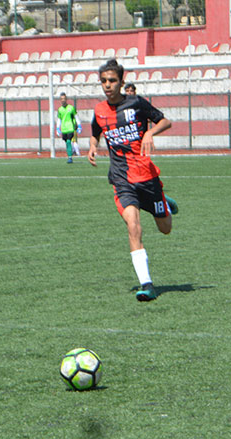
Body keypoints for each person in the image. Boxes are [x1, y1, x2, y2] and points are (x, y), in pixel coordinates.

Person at [88, 59, 178, 302]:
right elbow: (96, 131)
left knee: (165, 228)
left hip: (147, 177)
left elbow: (165, 121)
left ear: (121, 82)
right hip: (121, 179)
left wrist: (150, 132)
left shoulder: (136, 103)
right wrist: (93, 145)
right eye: (104, 81)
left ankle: (164, 203)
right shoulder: (99, 110)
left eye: (112, 80)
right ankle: (147, 284)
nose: (107, 85)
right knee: (133, 226)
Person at [56, 92, 78, 163]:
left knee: (68, 141)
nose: (63, 100)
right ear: (60, 100)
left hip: (70, 128)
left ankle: (70, 157)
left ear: (66, 99)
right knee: (67, 142)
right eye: (61, 99)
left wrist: (79, 125)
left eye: (64, 98)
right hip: (64, 129)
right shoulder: (60, 109)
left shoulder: (71, 108)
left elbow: (76, 117)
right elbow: (59, 119)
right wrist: (57, 128)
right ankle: (70, 153)